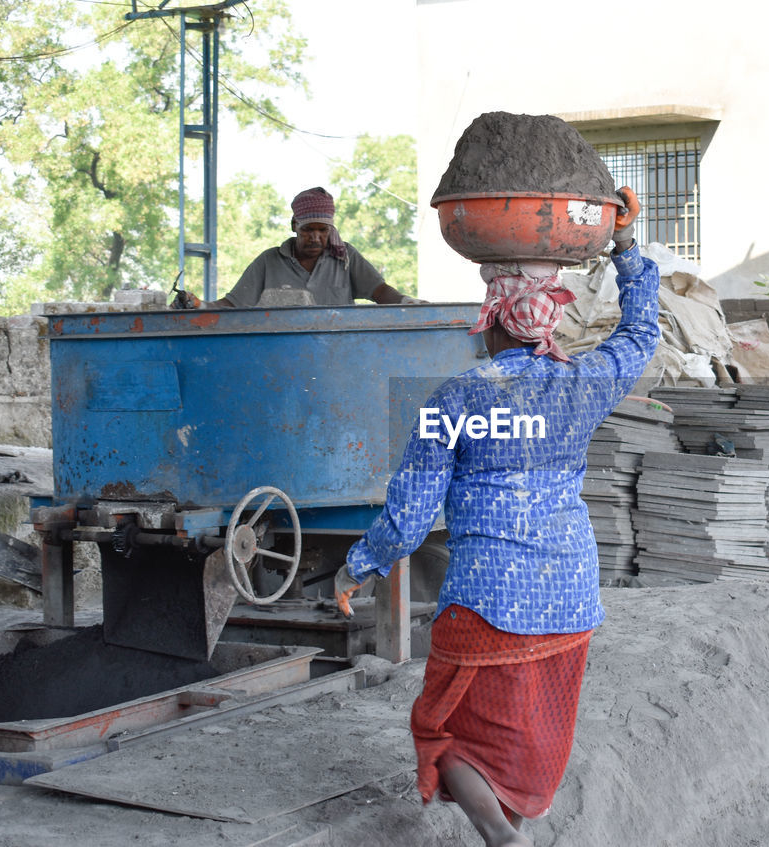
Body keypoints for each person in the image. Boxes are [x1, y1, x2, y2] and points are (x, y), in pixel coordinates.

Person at [334, 188, 656, 847]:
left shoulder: (457, 397)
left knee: (441, 729)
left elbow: (409, 517)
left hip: (487, 602)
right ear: (544, 324)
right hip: (570, 599)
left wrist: (357, 564)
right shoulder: (584, 383)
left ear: (495, 322)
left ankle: (504, 839)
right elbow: (642, 333)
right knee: (524, 731)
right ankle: (511, 829)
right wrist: (625, 245)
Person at [172, 186, 415, 308]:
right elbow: (231, 305)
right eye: (308, 230)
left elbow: (379, 291)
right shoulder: (269, 262)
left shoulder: (346, 257)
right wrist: (198, 305)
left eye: (323, 230)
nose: (316, 237)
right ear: (294, 226)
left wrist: (408, 303)